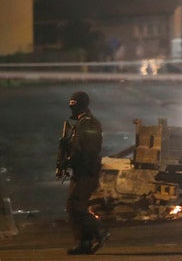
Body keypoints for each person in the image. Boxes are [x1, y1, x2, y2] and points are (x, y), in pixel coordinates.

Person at [65, 91, 110, 255]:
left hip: (86, 170)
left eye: (74, 105)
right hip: (82, 170)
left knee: (74, 206)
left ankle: (99, 230)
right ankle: (84, 242)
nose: (72, 109)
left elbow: (88, 149)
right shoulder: (82, 122)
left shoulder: (88, 123)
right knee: (76, 206)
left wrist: (74, 159)